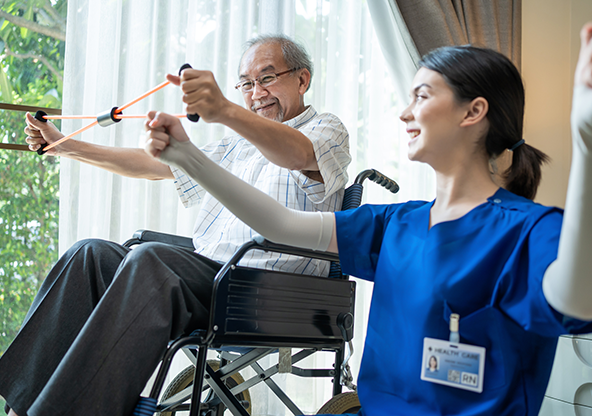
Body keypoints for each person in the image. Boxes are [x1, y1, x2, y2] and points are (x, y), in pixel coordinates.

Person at [142, 23, 592, 416]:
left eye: (422, 95)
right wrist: (187, 158)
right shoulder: (396, 224)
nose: (404, 112)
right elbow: (281, 226)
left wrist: (586, 143)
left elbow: (577, 302)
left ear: (473, 112)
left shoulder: (528, 230)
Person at [0, 34, 350, 416]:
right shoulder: (237, 144)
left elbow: (297, 153)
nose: (256, 92)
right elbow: (155, 165)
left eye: (267, 78)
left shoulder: (325, 129)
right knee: (90, 255)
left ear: (302, 80)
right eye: (246, 84)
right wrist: (65, 145)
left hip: (272, 290)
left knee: (151, 262)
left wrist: (226, 111)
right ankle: (20, 409)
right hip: (213, 276)